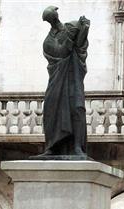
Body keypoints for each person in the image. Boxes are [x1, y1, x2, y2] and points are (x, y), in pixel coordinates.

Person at [37, 6, 90, 158]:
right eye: (52, 17)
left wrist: (84, 28)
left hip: (73, 77)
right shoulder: (48, 41)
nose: (55, 18)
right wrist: (71, 37)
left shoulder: (70, 26)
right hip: (57, 81)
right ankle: (52, 146)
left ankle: (77, 147)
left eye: (55, 15)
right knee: (52, 109)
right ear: (49, 20)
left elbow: (80, 46)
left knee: (77, 109)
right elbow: (61, 53)